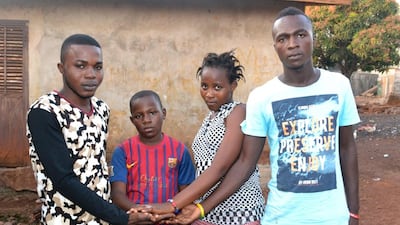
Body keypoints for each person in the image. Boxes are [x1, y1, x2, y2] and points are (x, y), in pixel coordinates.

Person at [171, 7, 360, 225]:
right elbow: (245, 162)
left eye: (300, 34)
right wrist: (202, 208)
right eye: (283, 38)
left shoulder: (339, 86)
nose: (292, 44)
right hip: (281, 218)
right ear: (276, 47)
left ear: (312, 38)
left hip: (332, 217)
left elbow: (347, 149)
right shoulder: (262, 97)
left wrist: (353, 212)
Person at [26, 34, 163, 225]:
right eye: (80, 66)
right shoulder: (45, 112)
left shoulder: (101, 109)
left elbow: (97, 165)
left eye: (97, 67)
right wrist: (121, 217)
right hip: (64, 220)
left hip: (103, 220)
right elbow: (63, 179)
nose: (91, 74)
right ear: (61, 68)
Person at [152, 51, 265, 225]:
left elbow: (220, 167)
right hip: (212, 207)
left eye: (217, 87)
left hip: (240, 208)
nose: (209, 94)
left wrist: (173, 204)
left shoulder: (238, 112)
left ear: (233, 85)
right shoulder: (210, 117)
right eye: (204, 86)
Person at [109, 90, 196, 211]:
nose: (146, 120)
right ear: (132, 120)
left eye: (152, 113)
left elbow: (186, 193)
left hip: (170, 218)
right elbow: (117, 194)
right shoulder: (122, 151)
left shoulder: (179, 150)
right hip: (135, 218)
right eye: (139, 116)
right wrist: (141, 211)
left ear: (163, 113)